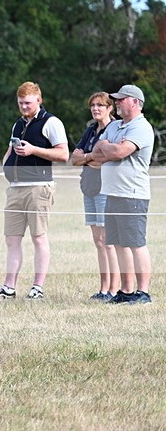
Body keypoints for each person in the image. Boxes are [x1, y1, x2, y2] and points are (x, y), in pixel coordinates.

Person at [0, 81, 69, 300]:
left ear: (39, 100)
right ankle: (9, 288)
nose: (24, 107)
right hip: (14, 189)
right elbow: (9, 150)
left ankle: (37, 288)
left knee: (38, 238)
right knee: (11, 239)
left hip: (38, 188)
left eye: (28, 103)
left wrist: (34, 150)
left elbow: (63, 155)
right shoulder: (17, 124)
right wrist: (5, 165)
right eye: (20, 103)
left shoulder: (51, 122)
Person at [86, 84, 153, 304]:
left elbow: (119, 151)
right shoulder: (115, 127)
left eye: (121, 99)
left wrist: (109, 148)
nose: (117, 103)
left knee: (135, 243)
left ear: (134, 102)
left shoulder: (141, 127)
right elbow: (96, 151)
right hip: (111, 193)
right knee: (119, 244)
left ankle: (143, 293)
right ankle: (126, 291)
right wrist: (108, 147)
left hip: (131, 194)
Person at [69, 92, 120, 301]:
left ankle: (114, 289)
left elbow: (106, 158)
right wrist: (91, 158)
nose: (96, 109)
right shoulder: (91, 130)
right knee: (98, 241)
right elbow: (74, 158)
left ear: (110, 108)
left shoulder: (115, 129)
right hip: (89, 187)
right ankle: (103, 288)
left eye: (100, 105)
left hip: (105, 189)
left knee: (108, 241)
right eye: (93, 106)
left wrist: (87, 158)